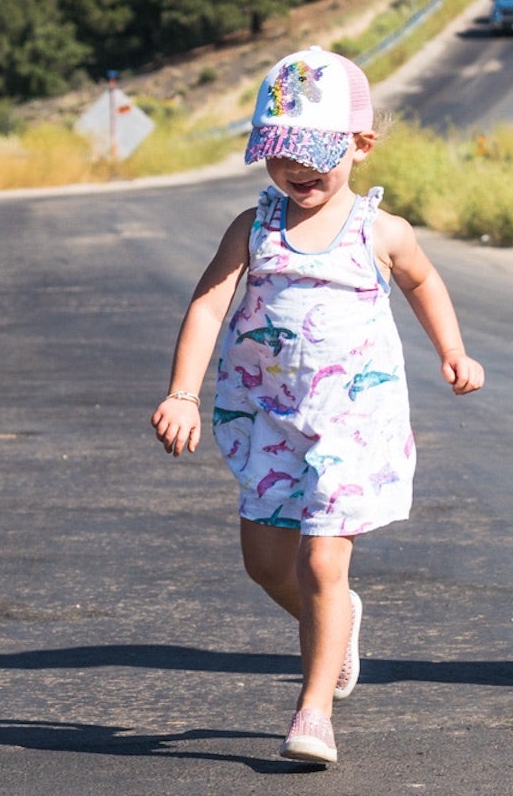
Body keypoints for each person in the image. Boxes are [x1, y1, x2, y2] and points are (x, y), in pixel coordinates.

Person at [149, 47, 485, 766]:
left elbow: (425, 285)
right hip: (268, 420)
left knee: (322, 564)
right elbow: (210, 306)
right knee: (267, 567)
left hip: (350, 424)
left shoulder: (380, 233)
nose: (296, 171)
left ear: (360, 145)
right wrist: (183, 392)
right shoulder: (253, 227)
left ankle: (314, 711)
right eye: (279, 156)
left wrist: (452, 351)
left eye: (314, 154)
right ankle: (337, 624)